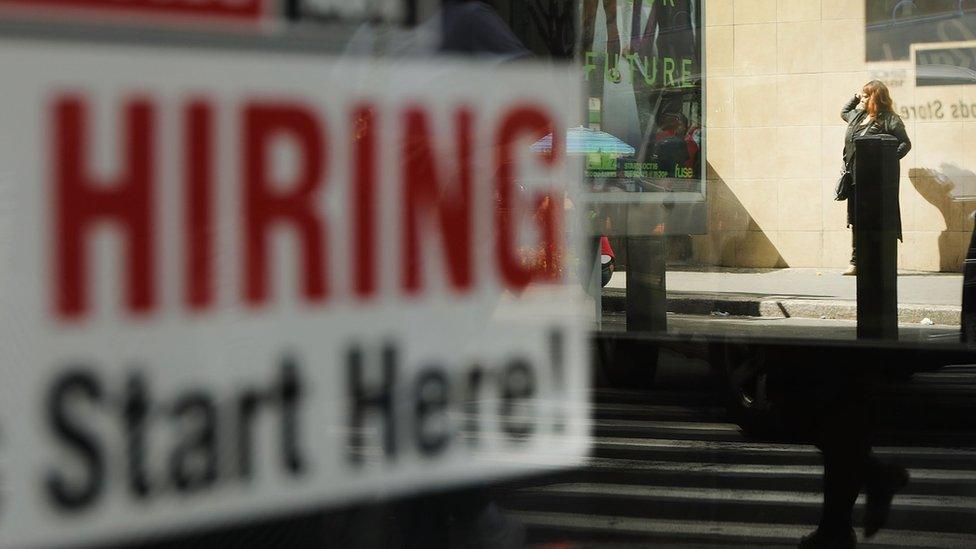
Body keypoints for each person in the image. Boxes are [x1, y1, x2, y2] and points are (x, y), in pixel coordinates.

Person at [838, 80, 911, 276]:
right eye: (862, 94)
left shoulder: (890, 119)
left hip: (877, 182)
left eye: (866, 95)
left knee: (879, 220)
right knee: (856, 221)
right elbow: (844, 111)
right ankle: (856, 262)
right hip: (855, 178)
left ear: (875, 97)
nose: (863, 97)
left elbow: (905, 143)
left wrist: (887, 160)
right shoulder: (857, 116)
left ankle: (879, 261)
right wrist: (856, 98)